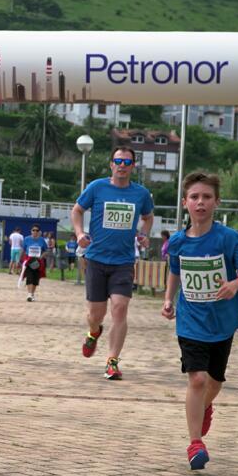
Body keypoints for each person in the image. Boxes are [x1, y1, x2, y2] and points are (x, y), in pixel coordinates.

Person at [161, 171, 238, 470]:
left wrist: (235, 285)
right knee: (198, 379)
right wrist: (168, 299)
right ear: (185, 203)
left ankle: (204, 406)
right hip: (191, 320)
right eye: (194, 197)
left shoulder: (229, 239)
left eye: (206, 197)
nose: (200, 202)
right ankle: (195, 444)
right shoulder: (178, 242)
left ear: (216, 202)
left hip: (222, 322)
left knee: (214, 383)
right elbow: (175, 271)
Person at [71, 146, 154, 381]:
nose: (122, 165)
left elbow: (148, 217)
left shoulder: (141, 194)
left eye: (127, 162)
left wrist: (144, 233)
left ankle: (112, 361)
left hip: (124, 261)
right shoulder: (97, 187)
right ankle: (94, 331)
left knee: (120, 308)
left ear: (133, 166)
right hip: (96, 259)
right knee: (95, 314)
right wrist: (79, 234)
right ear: (111, 164)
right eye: (118, 161)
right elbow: (77, 210)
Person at [21, 225, 47, 302]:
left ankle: (32, 294)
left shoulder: (42, 240)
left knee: (35, 278)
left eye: (37, 230)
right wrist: (20, 260)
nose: (35, 231)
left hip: (38, 261)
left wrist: (41, 257)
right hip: (29, 260)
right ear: (31, 231)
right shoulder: (26, 239)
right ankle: (29, 294)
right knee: (29, 276)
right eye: (33, 230)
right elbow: (23, 250)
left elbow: (46, 251)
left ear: (39, 232)